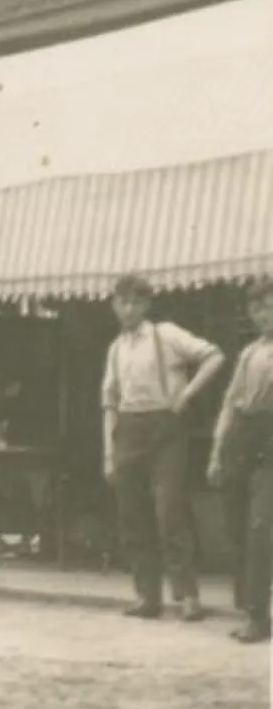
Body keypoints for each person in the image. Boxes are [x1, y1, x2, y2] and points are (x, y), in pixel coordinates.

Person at [101, 274, 225, 620]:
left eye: (136, 301)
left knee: (169, 511)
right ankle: (147, 597)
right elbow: (109, 402)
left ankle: (187, 595)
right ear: (114, 305)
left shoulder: (166, 334)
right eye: (122, 301)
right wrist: (108, 452)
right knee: (132, 515)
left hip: (165, 429)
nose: (129, 309)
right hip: (128, 429)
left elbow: (214, 356)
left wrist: (185, 395)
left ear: (147, 304)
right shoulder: (115, 349)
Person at [206, 279, 273, 644]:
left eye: (269, 306)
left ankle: (259, 617)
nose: (264, 315)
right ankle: (250, 609)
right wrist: (217, 451)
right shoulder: (249, 353)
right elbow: (230, 403)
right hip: (242, 439)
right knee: (237, 524)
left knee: (261, 526)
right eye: (257, 308)